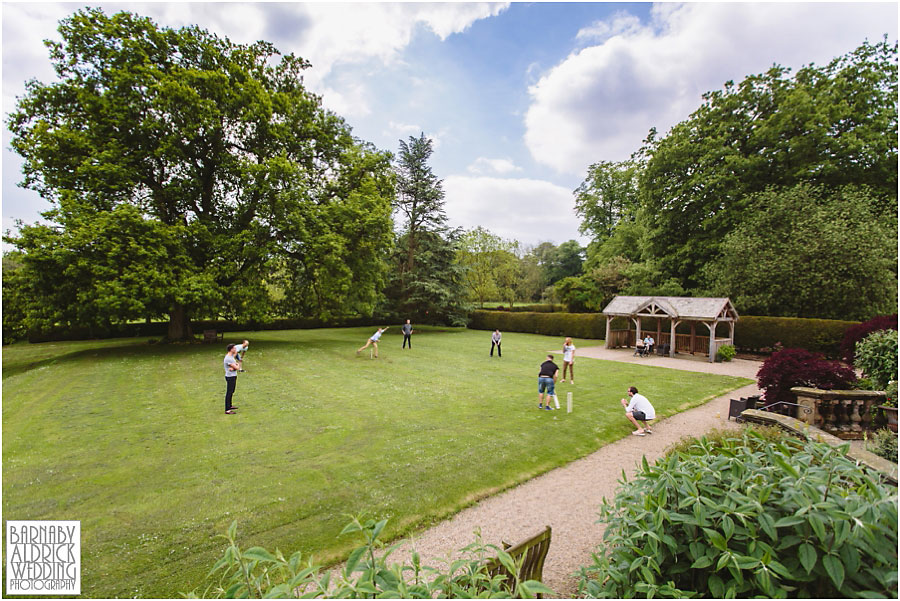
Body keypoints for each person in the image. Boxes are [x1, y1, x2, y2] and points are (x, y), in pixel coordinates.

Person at [223, 344, 240, 414]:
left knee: (232, 391)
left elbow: (236, 365)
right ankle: (227, 410)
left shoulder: (231, 357)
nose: (235, 350)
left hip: (233, 376)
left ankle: (230, 405)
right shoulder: (228, 358)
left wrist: (234, 367)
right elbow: (237, 367)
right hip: (230, 377)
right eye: (234, 348)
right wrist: (236, 366)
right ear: (231, 349)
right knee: (229, 392)